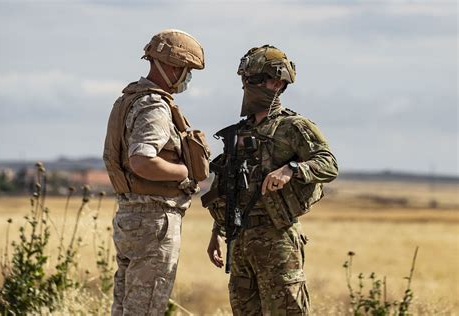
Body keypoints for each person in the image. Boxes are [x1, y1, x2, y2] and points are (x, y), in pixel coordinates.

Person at [204, 45, 338, 315]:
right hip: (240, 239)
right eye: (244, 80)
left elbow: (328, 163)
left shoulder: (294, 126)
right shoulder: (240, 132)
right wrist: (217, 231)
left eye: (253, 80)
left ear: (277, 82)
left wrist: (292, 169)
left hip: (277, 238)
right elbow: (230, 188)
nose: (246, 86)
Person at [103, 29, 206, 316]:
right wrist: (184, 172)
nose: (187, 78)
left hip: (131, 216)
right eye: (186, 71)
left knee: (126, 306)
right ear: (172, 66)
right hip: (154, 221)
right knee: (146, 308)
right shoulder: (154, 106)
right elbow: (141, 161)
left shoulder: (129, 99)